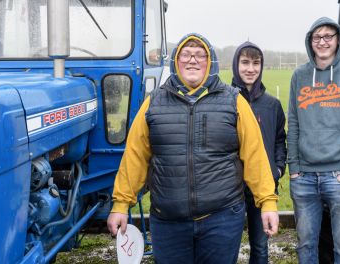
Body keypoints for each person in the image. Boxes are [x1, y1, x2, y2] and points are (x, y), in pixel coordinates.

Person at [107, 33, 279, 264]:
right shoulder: (154, 102)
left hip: (222, 219)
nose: (192, 60)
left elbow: (255, 156)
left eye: (200, 55)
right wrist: (120, 204)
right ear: (176, 62)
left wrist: (267, 201)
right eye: (185, 54)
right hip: (168, 221)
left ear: (210, 63)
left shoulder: (234, 101)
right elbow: (135, 157)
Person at [287, 18, 340, 264]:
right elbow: (293, 123)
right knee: (305, 245)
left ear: (338, 40)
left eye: (328, 36)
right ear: (310, 41)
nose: (322, 42)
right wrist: (294, 169)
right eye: (317, 37)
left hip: (339, 176)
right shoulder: (300, 76)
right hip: (304, 178)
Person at [231, 42, 287, 264]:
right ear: (236, 65)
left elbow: (280, 139)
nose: (250, 69)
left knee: (260, 246)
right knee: (228, 246)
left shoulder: (272, 104)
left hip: (262, 188)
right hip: (231, 187)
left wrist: (278, 168)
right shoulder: (224, 100)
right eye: (245, 62)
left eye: (256, 63)